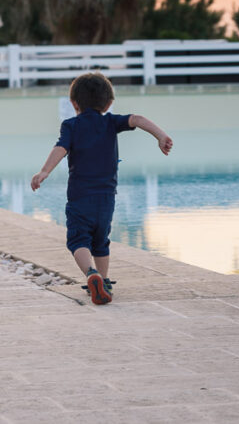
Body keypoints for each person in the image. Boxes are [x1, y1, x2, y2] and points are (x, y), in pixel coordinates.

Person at [31, 72, 172, 304]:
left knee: (78, 241)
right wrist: (161, 135)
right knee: (100, 240)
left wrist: (44, 171)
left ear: (74, 103)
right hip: (106, 198)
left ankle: (91, 274)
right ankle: (104, 281)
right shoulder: (110, 122)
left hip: (79, 198)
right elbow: (137, 118)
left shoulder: (71, 125)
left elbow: (61, 148)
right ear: (108, 104)